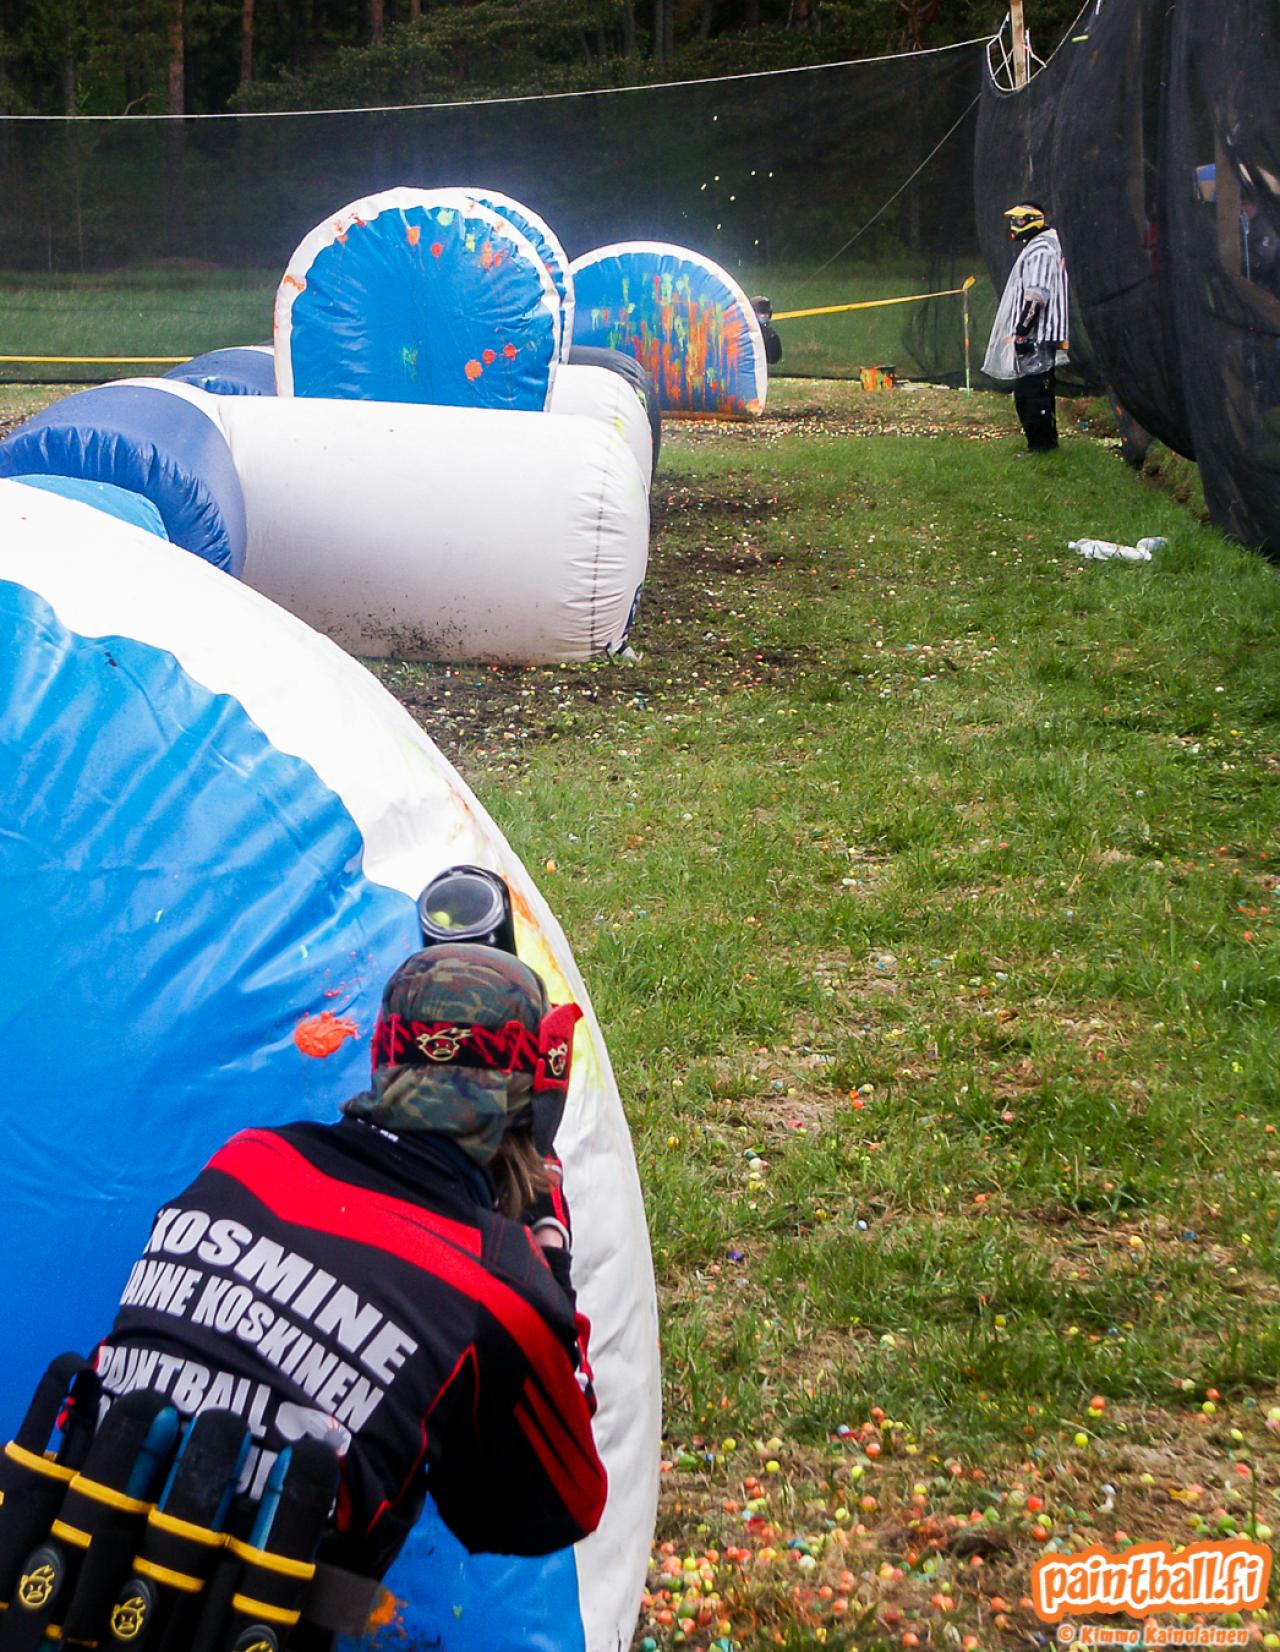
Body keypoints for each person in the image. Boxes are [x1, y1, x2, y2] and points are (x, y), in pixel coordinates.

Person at [88, 938, 606, 1590]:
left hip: (55, 1570)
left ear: (384, 1061)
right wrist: (548, 1258)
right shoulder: (496, 1283)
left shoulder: (246, 1160)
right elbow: (556, 1509)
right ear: (536, 1103)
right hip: (257, 1620)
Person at [983, 201, 1071, 453]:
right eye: (1014, 221)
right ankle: (1043, 444)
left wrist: (1022, 332)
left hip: (1038, 336)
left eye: (1020, 221)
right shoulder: (1039, 246)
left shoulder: (1041, 250)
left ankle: (1042, 446)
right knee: (1030, 391)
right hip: (1036, 334)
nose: (1015, 226)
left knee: (1033, 393)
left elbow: (1037, 297)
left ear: (1035, 221)